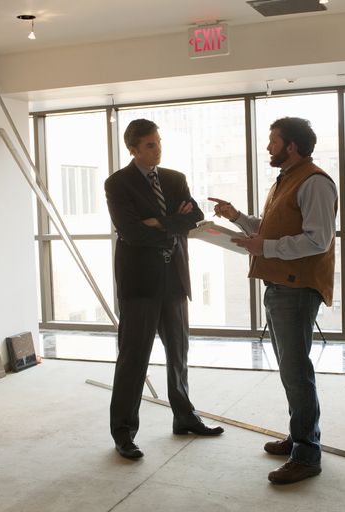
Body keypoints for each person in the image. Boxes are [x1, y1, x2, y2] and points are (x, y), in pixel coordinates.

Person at [209, 117, 337, 484]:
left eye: (273, 141)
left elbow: (318, 240)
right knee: (290, 371)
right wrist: (235, 217)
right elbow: (270, 229)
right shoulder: (287, 180)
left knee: (297, 374)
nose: (268, 147)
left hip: (296, 290)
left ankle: (307, 455)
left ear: (291, 146)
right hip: (281, 287)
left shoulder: (315, 183)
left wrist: (263, 246)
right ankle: (300, 438)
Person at [105, 118, 224, 460]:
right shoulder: (118, 184)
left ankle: (184, 417)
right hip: (139, 283)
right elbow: (130, 232)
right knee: (133, 360)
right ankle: (124, 433)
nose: (158, 149)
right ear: (133, 149)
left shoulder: (174, 179)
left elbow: (195, 217)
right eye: (150, 145)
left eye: (158, 142)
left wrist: (159, 222)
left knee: (178, 355)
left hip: (174, 280)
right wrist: (173, 222)